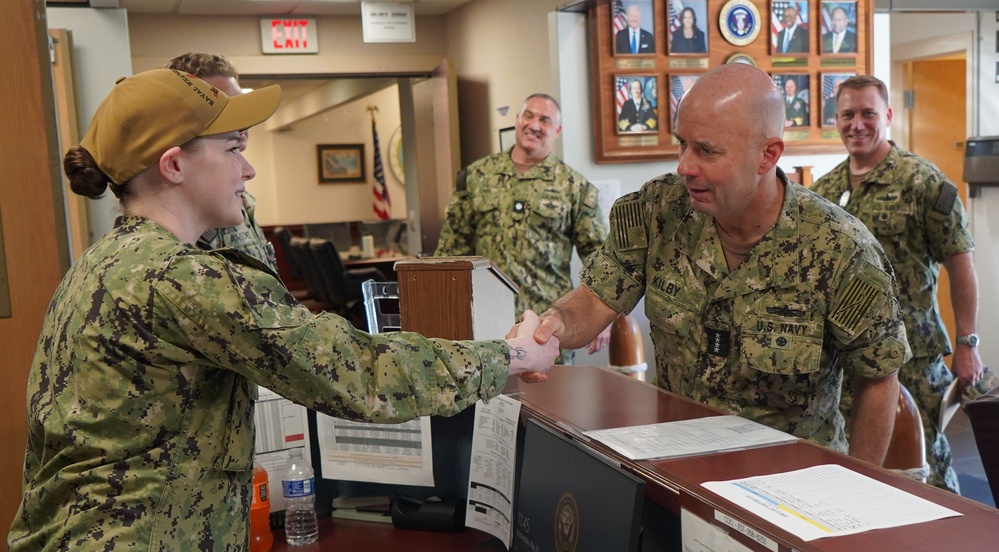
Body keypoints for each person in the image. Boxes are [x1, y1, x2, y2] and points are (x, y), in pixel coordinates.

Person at [7, 68, 559, 551]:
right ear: (174, 165)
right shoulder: (182, 278)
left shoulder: (102, 261)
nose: (247, 171)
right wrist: (508, 354)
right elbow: (357, 373)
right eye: (232, 150)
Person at [533, 63, 910, 466]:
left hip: (789, 483)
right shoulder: (657, 210)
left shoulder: (841, 250)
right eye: (683, 144)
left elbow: (878, 376)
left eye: (707, 151)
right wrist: (553, 325)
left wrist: (859, 483)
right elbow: (595, 300)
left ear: (767, 155)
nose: (685, 167)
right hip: (677, 466)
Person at [811, 75, 983, 493]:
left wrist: (968, 344)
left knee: (925, 467)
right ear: (836, 120)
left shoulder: (924, 183)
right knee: (855, 464)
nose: (858, 124)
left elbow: (961, 265)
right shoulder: (824, 190)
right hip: (844, 357)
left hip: (912, 356)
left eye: (868, 113)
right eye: (848, 114)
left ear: (886, 115)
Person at [435, 93, 609, 365]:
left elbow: (601, 259)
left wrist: (602, 317)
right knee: (487, 405)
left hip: (549, 325)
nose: (534, 125)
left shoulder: (575, 187)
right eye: (528, 115)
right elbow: (450, 250)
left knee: (551, 404)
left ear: (557, 130)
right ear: (517, 120)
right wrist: (444, 311)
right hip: (484, 323)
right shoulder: (476, 177)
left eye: (545, 120)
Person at [166, 52, 277, 272]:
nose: (244, 124)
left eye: (241, 108)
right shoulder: (184, 205)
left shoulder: (240, 197)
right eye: (225, 110)